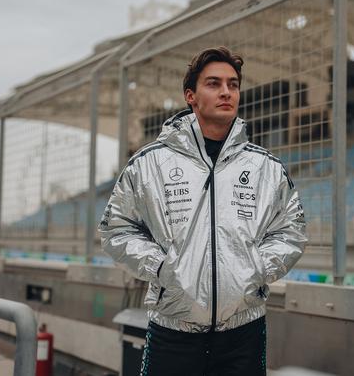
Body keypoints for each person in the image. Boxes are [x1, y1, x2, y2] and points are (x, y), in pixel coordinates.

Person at [98, 46, 307, 376]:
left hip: (243, 333)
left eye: (233, 84)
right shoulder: (149, 164)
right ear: (191, 96)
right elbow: (116, 229)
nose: (226, 92)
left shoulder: (265, 167)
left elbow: (291, 231)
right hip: (173, 330)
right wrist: (162, 268)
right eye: (214, 83)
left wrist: (255, 268)